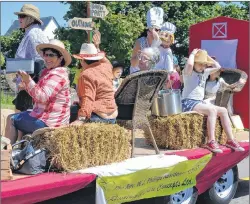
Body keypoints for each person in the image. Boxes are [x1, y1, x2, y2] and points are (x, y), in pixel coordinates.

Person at [5, 39, 72, 144]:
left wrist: (28, 81)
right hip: (49, 118)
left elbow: (43, 98)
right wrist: (27, 84)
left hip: (49, 122)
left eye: (51, 55)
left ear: (61, 58)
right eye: (45, 54)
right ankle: (20, 149)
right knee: (24, 115)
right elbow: (39, 94)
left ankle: (6, 154)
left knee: (12, 119)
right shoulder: (51, 72)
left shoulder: (57, 75)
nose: (47, 58)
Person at [182, 49, 244, 153]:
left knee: (223, 110)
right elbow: (189, 65)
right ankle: (211, 141)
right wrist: (192, 54)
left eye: (204, 64)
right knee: (212, 111)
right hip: (188, 102)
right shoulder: (188, 73)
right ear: (194, 63)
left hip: (199, 102)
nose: (203, 66)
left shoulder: (205, 72)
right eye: (200, 64)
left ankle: (230, 140)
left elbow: (218, 67)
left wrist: (208, 58)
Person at [13, 4, 49, 112]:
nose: (19, 19)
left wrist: (25, 82)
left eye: (22, 16)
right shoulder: (30, 32)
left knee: (18, 120)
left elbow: (40, 62)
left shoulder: (34, 34)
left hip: (30, 87)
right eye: (19, 16)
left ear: (31, 18)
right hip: (28, 85)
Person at [71, 43, 117, 125]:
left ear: (82, 60)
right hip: (113, 116)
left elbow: (87, 100)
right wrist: (96, 46)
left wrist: (80, 120)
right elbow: (104, 59)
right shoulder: (107, 66)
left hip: (97, 117)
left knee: (71, 112)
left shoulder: (86, 74)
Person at [130, 7, 164, 74]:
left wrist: (157, 39)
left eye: (156, 30)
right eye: (150, 30)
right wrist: (139, 56)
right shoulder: (140, 42)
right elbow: (133, 64)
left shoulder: (162, 44)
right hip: (137, 74)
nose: (152, 32)